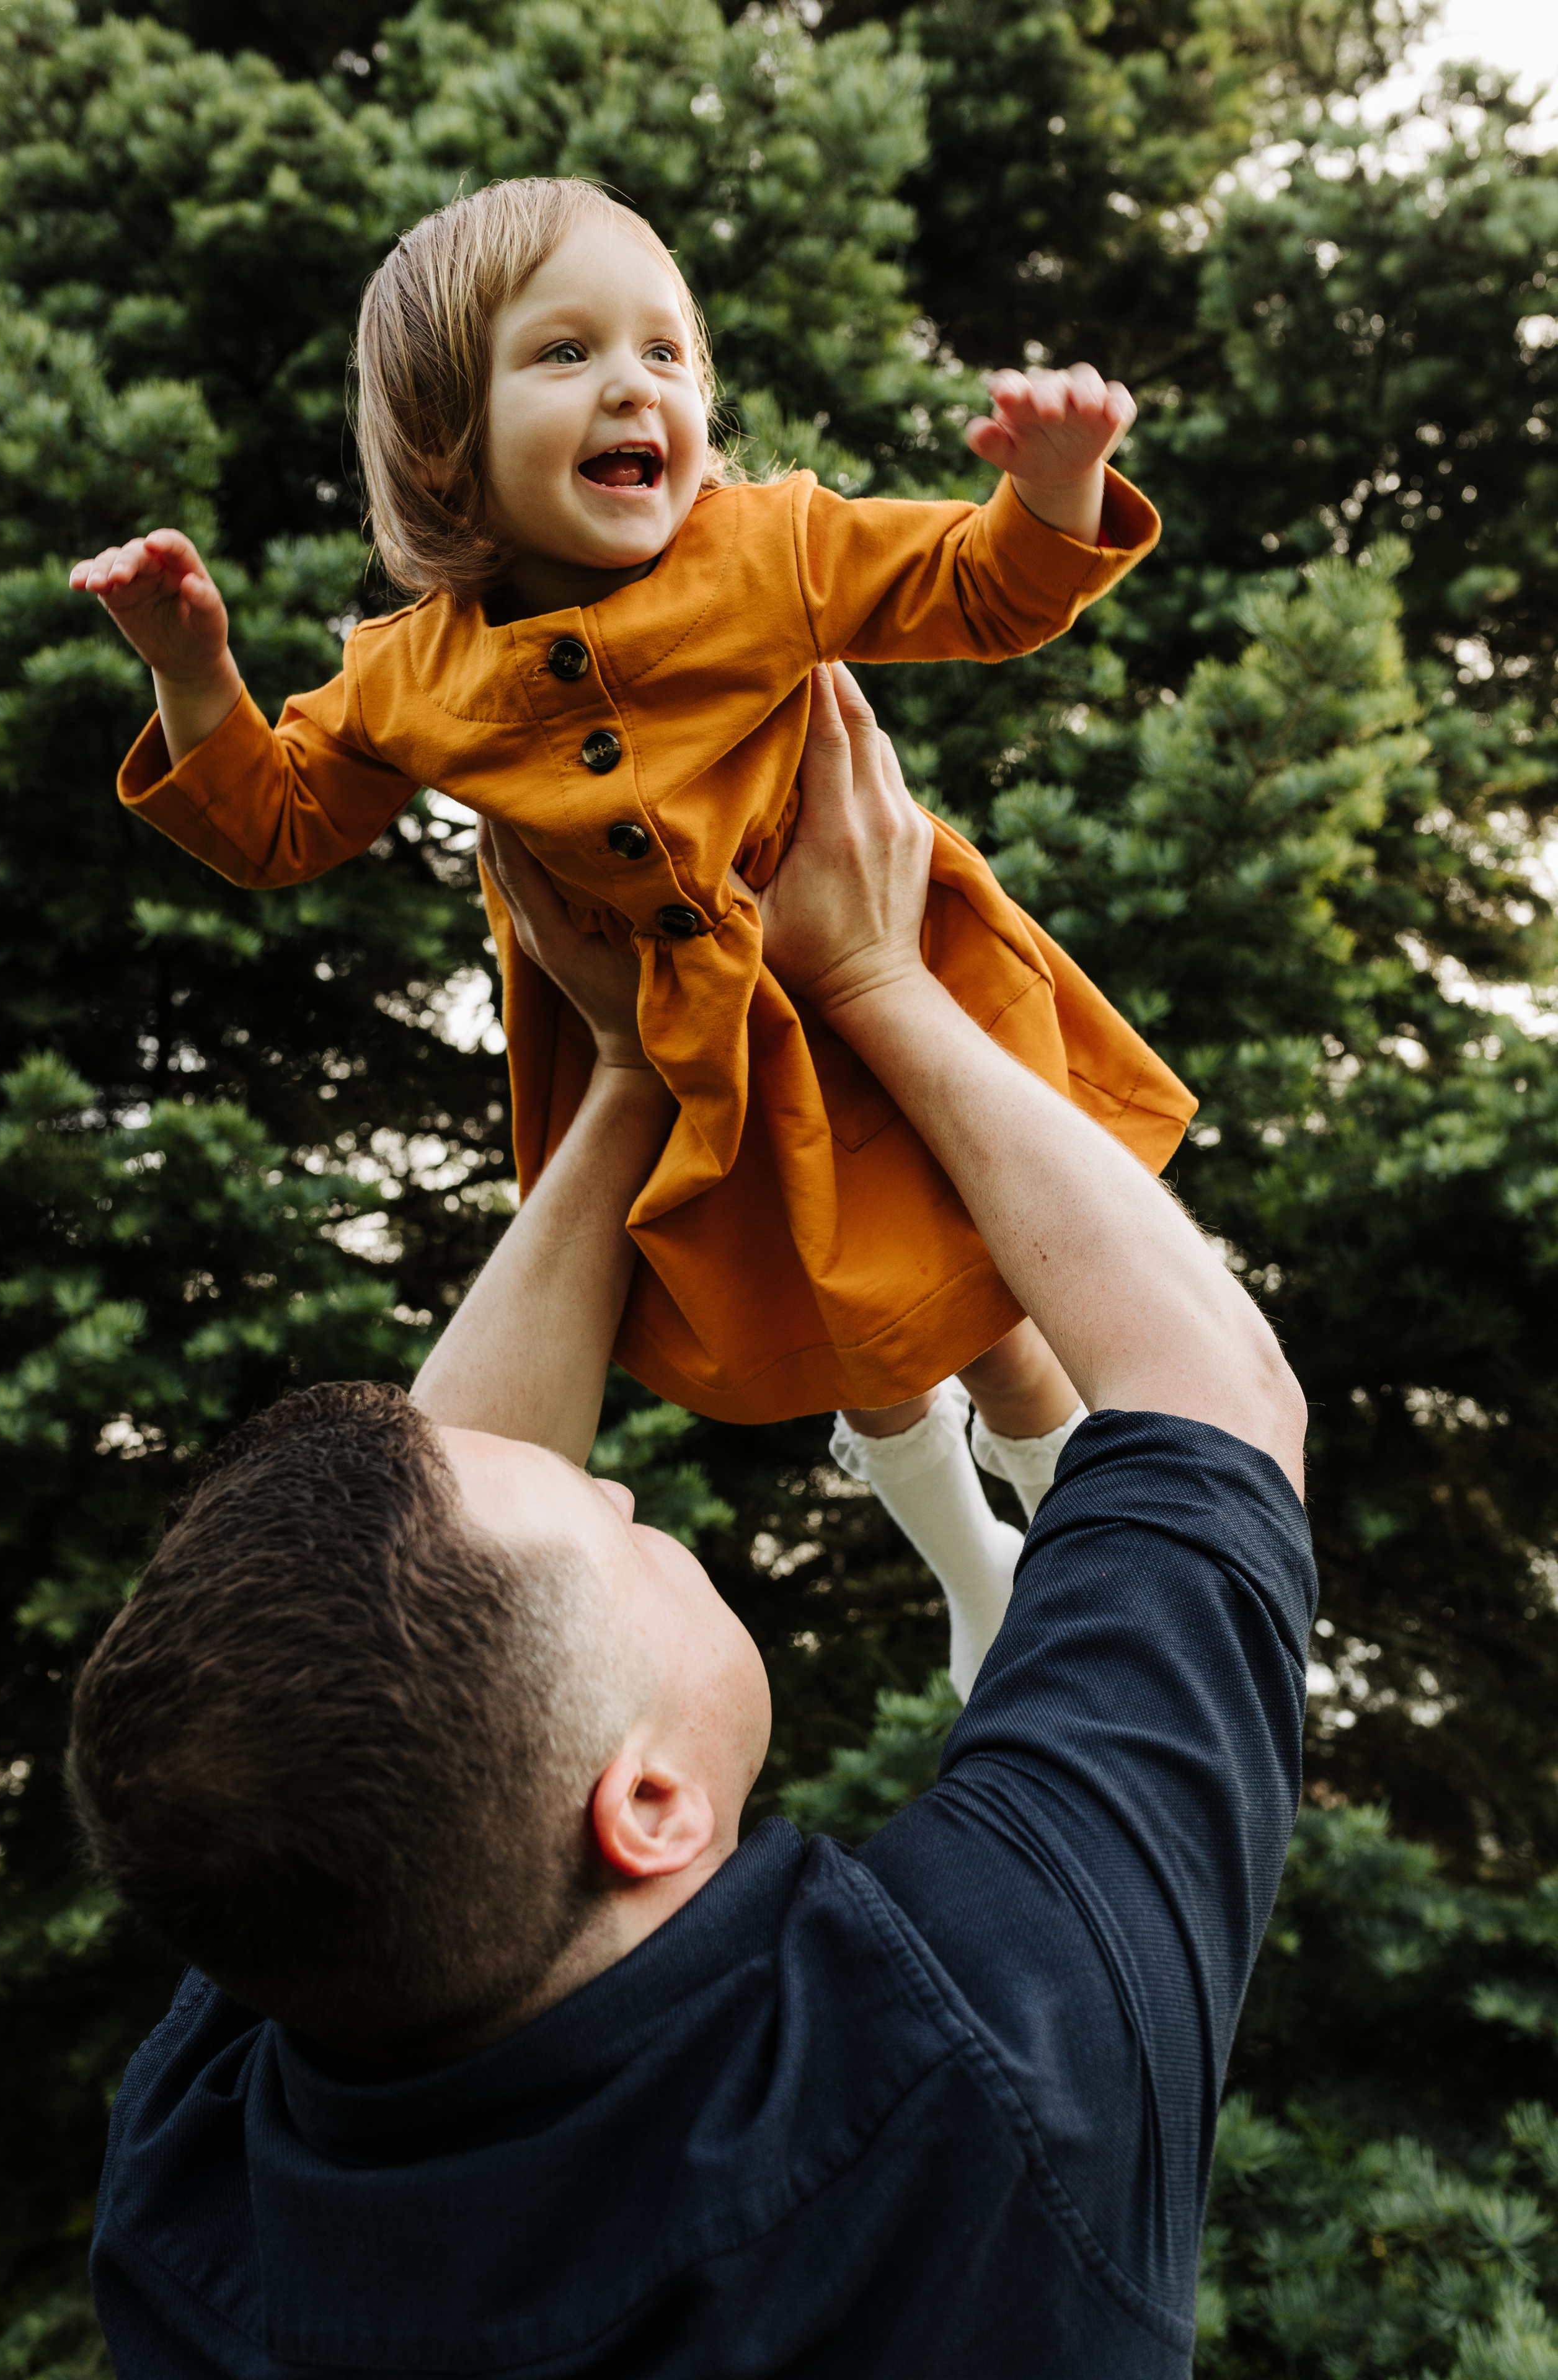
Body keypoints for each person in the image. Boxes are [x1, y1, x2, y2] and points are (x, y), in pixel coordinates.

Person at [73, 665, 1311, 2379]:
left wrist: (628, 1076)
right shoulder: (986, 2058)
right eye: (611, 1526)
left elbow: (404, 1595)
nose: (619, 1479)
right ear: (644, 1804)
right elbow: (1214, 1402)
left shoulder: (221, 2175)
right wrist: (877, 976)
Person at [68, 175, 1194, 1693]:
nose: (634, 385)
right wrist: (196, 678)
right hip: (691, 1057)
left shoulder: (771, 546)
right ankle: (966, 1565)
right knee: (842, 1328)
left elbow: (978, 589)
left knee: (985, 1291)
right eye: (565, 353)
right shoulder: (411, 673)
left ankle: (1078, 1535)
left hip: (883, 995)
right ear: (442, 445)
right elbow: (277, 827)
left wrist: (1052, 489)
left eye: (667, 353)